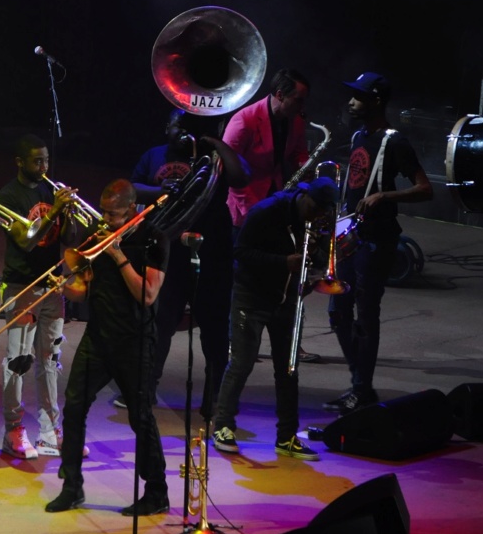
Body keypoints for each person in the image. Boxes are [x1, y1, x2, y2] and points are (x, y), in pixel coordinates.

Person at [45, 179, 170, 516]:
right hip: (98, 338)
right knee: (73, 407)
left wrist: (117, 255)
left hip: (135, 341)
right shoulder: (99, 236)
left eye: (113, 214)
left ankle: (157, 493)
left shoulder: (153, 238)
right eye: (103, 211)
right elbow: (84, 292)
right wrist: (64, 287)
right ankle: (72, 487)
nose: (105, 219)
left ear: (131, 209)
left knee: (140, 417)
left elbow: (147, 295)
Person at [324, 72, 433, 414]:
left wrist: (385, 195)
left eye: (358, 96)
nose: (351, 102)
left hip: (377, 241)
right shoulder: (359, 136)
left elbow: (425, 188)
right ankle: (360, 382)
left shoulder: (393, 141)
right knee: (337, 311)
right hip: (350, 236)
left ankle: (361, 387)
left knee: (365, 316)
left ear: (376, 101)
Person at [129, 109, 250, 420]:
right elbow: (131, 189)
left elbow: (241, 178)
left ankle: (215, 397)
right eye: (177, 125)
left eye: (189, 127)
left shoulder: (214, 157)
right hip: (165, 251)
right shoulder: (154, 155)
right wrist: (161, 192)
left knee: (214, 329)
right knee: (160, 322)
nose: (182, 132)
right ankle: (146, 387)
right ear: (166, 127)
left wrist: (217, 143)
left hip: (212, 254)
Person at [210, 177, 340, 461]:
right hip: (251, 297)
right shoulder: (266, 211)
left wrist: (315, 270)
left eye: (322, 212)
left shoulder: (318, 219)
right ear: (304, 195)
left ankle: (286, 437)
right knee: (242, 364)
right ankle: (222, 427)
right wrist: (282, 263)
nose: (316, 215)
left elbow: (315, 259)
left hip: (286, 301)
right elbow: (239, 252)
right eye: (315, 208)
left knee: (288, 370)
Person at [222, 67, 321, 363]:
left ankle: (291, 342)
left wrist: (307, 169)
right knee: (245, 278)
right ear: (280, 95)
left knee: (288, 279)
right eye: (298, 100)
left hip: (277, 202)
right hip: (246, 206)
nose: (302, 108)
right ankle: (236, 342)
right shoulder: (243, 121)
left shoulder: (295, 121)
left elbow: (298, 154)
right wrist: (253, 210)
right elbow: (228, 169)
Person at [0, 134, 81, 459]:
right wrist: (55, 208)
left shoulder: (49, 189)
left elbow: (70, 239)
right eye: (37, 161)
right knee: (18, 362)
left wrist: (67, 213)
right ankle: (13, 430)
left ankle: (49, 431)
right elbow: (27, 241)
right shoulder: (8, 196)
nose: (44, 167)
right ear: (20, 162)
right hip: (21, 287)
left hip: (52, 286)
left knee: (49, 361)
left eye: (46, 160)